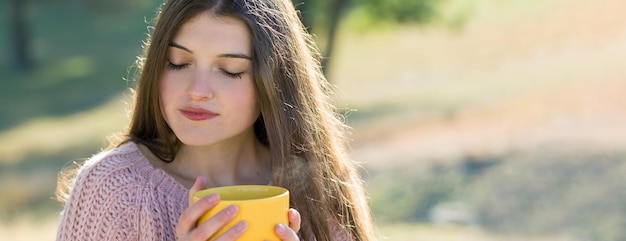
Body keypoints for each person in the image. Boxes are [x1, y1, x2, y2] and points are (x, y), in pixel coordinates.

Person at [56, 0, 375, 240]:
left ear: (275, 81)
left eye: (230, 70)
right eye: (178, 63)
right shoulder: (110, 189)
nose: (197, 91)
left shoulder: (322, 187)